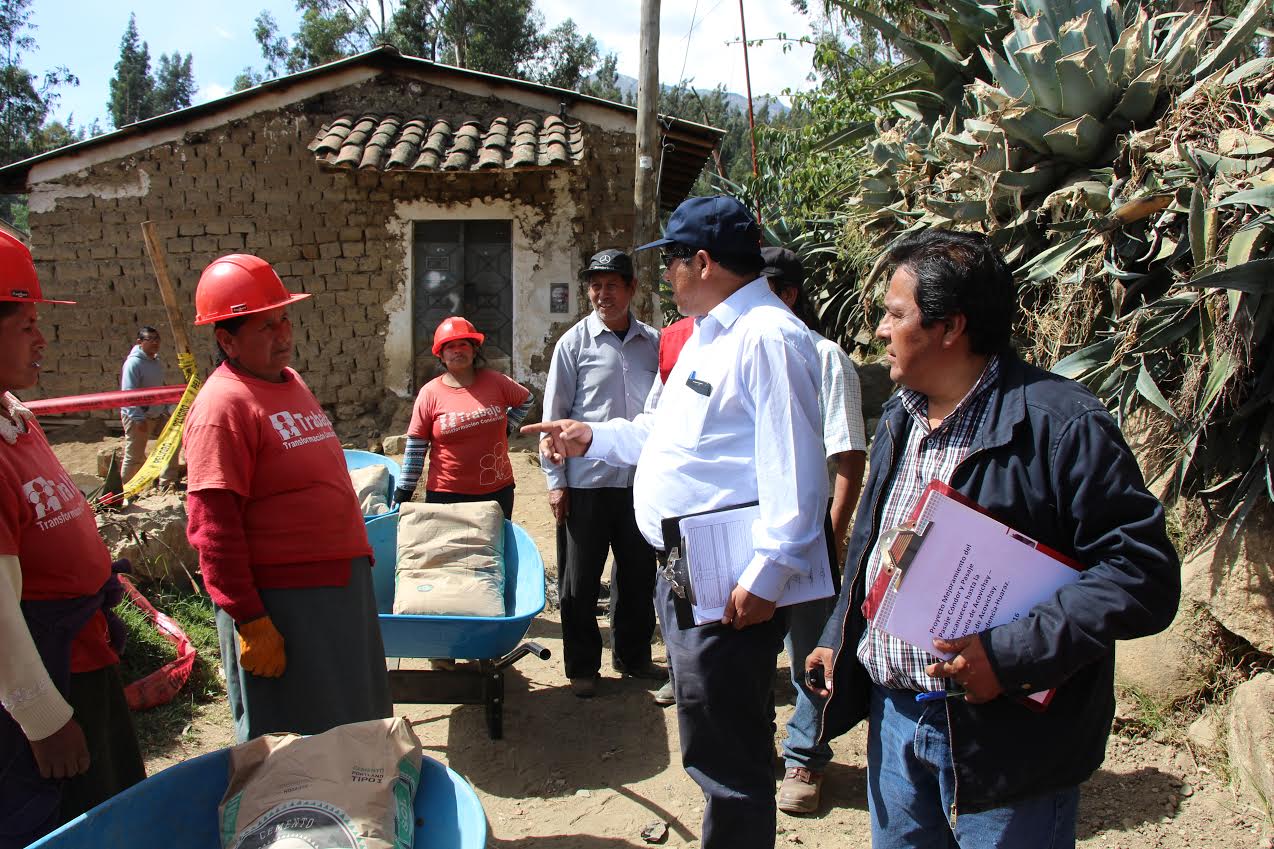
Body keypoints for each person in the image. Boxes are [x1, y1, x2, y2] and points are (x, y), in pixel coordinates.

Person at [806, 229, 1180, 848]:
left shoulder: (1061, 427)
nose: (877, 330)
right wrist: (838, 638)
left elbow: (1142, 573)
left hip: (1006, 744)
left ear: (950, 328)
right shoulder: (902, 415)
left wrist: (1006, 657)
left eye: (894, 315)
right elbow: (876, 547)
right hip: (896, 724)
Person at [526, 196, 829, 849]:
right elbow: (657, 434)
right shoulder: (705, 336)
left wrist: (769, 572)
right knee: (706, 730)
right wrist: (590, 437)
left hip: (732, 580)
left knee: (730, 747)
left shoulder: (770, 339)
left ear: (702, 261)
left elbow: (798, 472)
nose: (665, 276)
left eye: (669, 262)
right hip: (690, 564)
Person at [182, 254, 391, 743]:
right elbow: (213, 528)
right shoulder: (223, 407)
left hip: (337, 591)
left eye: (283, 320)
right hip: (286, 604)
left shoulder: (289, 382)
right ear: (226, 339)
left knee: (350, 725)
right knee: (294, 746)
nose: (283, 335)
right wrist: (251, 620)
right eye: (264, 327)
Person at [0, 230, 145, 848]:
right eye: (27, 324)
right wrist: (41, 715)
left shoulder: (15, 419)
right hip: (46, 683)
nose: (43, 339)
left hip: (86, 663)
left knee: (118, 810)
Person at [760, 246, 867, 814]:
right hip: (750, 533)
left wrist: (828, 535)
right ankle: (759, 749)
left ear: (789, 295)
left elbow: (849, 456)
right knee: (752, 646)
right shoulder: (745, 353)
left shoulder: (827, 359)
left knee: (811, 651)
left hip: (808, 537)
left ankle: (804, 754)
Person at [541, 249, 664, 699]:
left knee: (637, 577)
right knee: (579, 582)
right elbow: (552, 423)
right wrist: (556, 485)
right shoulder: (572, 345)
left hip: (639, 483)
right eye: (595, 285)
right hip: (587, 485)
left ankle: (632, 657)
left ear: (632, 288)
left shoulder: (655, 342)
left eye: (612, 284)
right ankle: (583, 667)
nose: (602, 294)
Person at [393, 316, 533, 521]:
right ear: (440, 354)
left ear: (474, 350)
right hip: (446, 495)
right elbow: (416, 446)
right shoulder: (430, 393)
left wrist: (508, 425)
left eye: (464, 344)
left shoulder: (496, 381)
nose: (458, 350)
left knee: (493, 550)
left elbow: (526, 400)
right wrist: (404, 490)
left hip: (496, 491)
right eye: (450, 346)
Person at [118, 325, 179, 487]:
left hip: (157, 413)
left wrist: (166, 408)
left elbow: (158, 388)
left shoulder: (155, 362)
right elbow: (128, 393)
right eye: (150, 339)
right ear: (140, 342)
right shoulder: (133, 364)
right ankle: (125, 490)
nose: (155, 343)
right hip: (138, 416)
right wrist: (138, 418)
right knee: (134, 456)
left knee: (172, 441)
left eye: (157, 339)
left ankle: (168, 481)